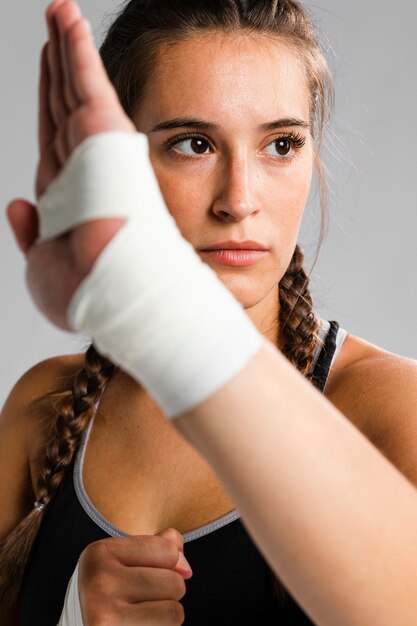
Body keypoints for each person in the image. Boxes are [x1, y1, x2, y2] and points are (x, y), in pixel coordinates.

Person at [2, 0, 417, 625]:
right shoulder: (45, 407)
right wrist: (71, 617)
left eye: (281, 144)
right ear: (120, 165)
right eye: (193, 144)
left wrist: (168, 320)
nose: (239, 200)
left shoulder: (389, 408)